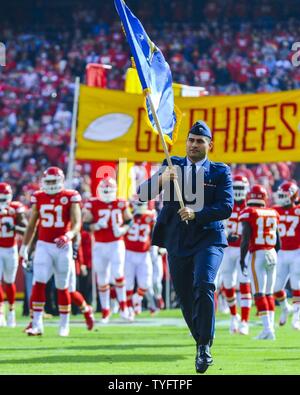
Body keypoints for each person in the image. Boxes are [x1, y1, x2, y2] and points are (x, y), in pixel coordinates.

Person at [138, 120, 233, 374]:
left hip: (208, 238)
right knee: (185, 296)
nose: (193, 144)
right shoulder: (172, 164)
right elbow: (141, 194)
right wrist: (160, 180)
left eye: (199, 141)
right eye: (190, 140)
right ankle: (201, 339)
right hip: (177, 240)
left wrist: (196, 212)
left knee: (204, 284)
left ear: (209, 145)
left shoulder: (220, 171)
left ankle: (204, 347)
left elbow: (226, 207)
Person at [19, 166, 82, 337]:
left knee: (62, 286)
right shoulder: (39, 197)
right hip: (44, 245)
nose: (52, 184)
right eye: (49, 182)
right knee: (38, 282)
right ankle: (37, 324)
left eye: (55, 181)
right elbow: (32, 225)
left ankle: (64, 325)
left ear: (61, 181)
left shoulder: (70, 196)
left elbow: (77, 223)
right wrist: (24, 248)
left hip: (63, 246)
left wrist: (68, 236)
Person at [83, 177, 133, 323]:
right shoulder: (93, 203)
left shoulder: (121, 202)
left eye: (109, 190)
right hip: (99, 244)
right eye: (104, 190)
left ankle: (123, 308)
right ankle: (106, 311)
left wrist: (122, 230)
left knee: (118, 274)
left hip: (116, 243)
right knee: (102, 277)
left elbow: (129, 220)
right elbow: (85, 224)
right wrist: (95, 226)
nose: (106, 193)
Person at [239, 184, 280, 340]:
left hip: (258, 253)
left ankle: (268, 329)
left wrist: (243, 259)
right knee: (269, 293)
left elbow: (245, 239)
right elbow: (279, 242)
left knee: (258, 293)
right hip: (272, 252)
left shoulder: (249, 212)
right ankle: (270, 329)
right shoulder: (273, 212)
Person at [220, 175, 252, 335]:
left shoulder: (251, 207)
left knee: (244, 283)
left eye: (241, 188)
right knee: (228, 284)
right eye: (236, 188)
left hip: (244, 250)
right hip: (228, 249)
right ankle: (234, 316)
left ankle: (245, 321)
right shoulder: (226, 204)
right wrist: (226, 234)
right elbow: (220, 225)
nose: (238, 192)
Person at [273, 181, 300, 330]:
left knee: (297, 285)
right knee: (276, 288)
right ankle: (285, 307)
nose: (282, 198)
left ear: (293, 196)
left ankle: (297, 316)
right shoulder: (275, 210)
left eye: (285, 195)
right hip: (282, 253)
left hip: (297, 252)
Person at [0, 182, 27, 327]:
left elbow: (26, 228)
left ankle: (11, 312)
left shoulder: (16, 208)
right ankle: (1, 313)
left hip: (11, 248)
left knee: (9, 282)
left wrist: (14, 227)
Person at [124, 199, 156, 319]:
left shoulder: (150, 216)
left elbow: (155, 232)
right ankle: (129, 309)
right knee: (128, 284)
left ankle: (137, 297)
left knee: (146, 283)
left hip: (144, 253)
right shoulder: (128, 216)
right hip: (129, 253)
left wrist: (155, 248)